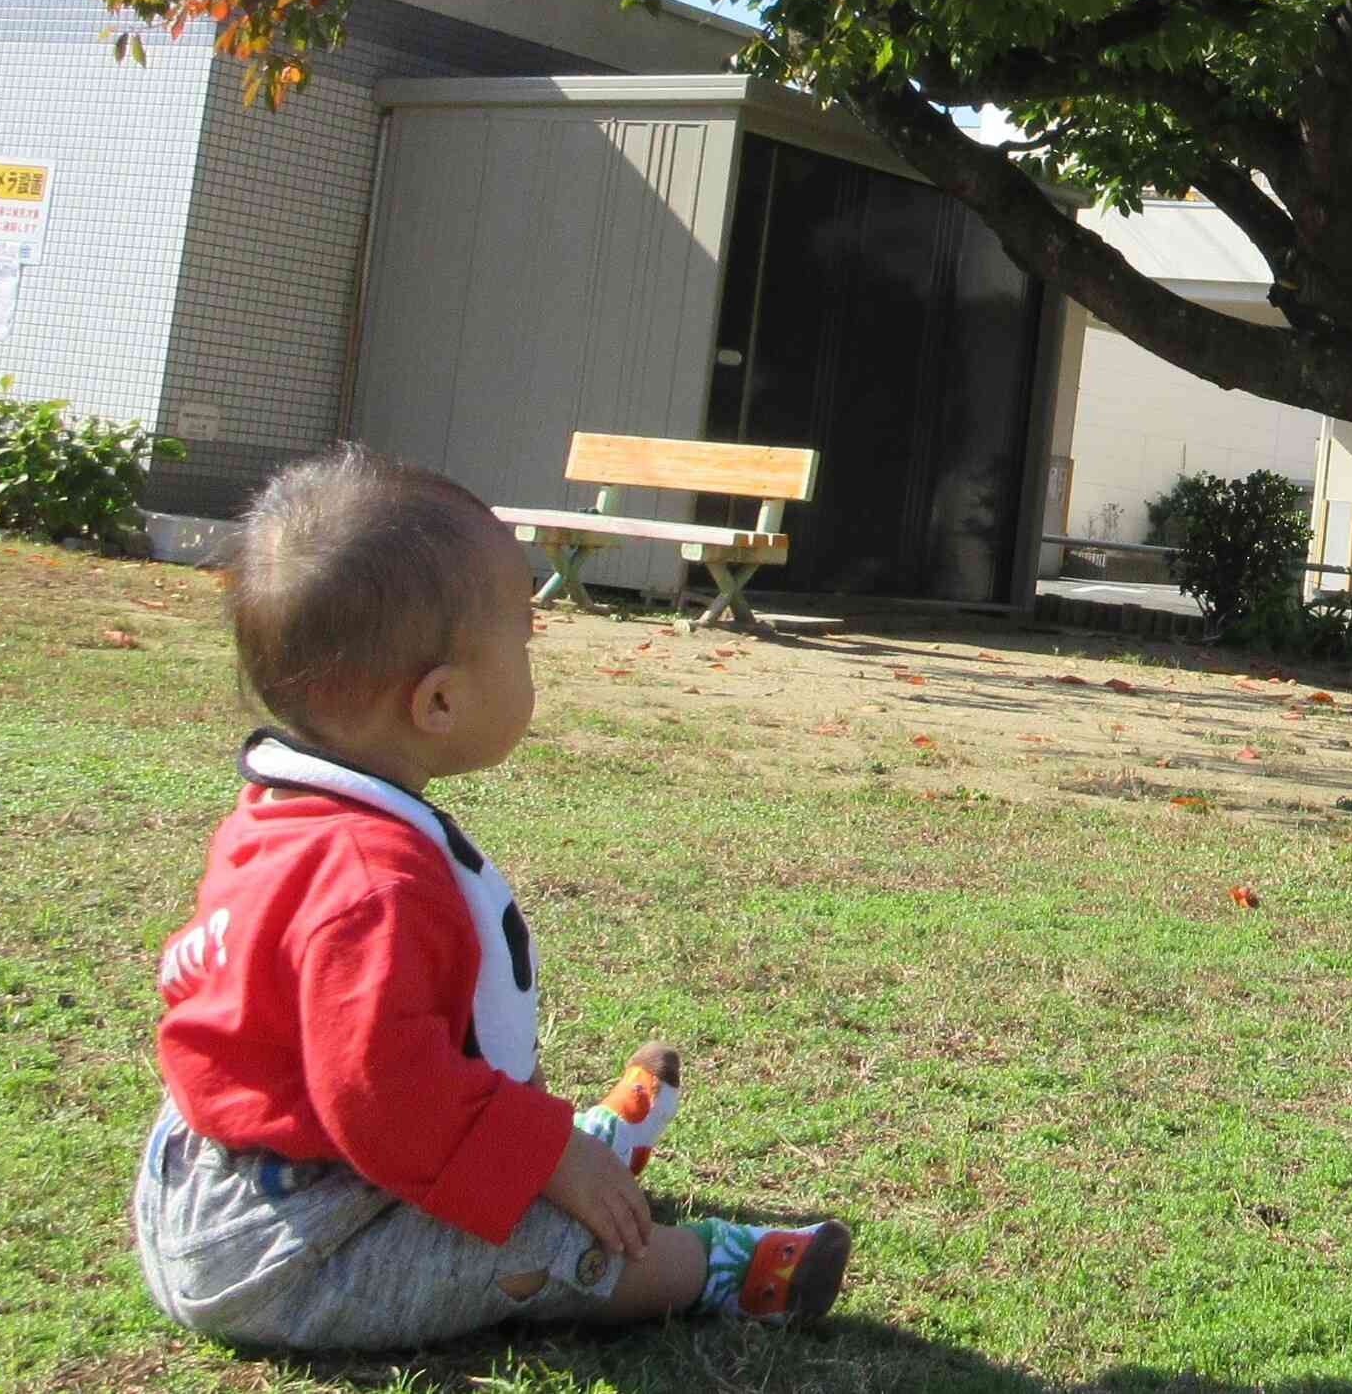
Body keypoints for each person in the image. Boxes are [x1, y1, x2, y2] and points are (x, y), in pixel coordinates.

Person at [132, 445, 852, 1350]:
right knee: (553, 1246)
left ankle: (562, 1146)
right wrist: (550, 1161)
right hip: (283, 1251)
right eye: (522, 633)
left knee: (484, 1142)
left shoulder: (291, 809)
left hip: (221, 1175)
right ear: (436, 701)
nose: (534, 650)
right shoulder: (370, 882)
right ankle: (720, 1266)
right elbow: (384, 1095)